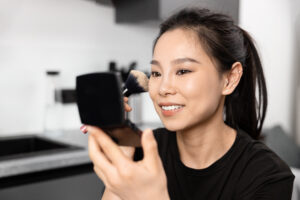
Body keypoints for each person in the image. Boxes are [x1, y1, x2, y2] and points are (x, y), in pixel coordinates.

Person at [84, 8, 295, 200]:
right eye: (156, 73)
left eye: (183, 71)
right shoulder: (144, 151)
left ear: (230, 79)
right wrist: (121, 164)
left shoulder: (268, 176)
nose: (163, 88)